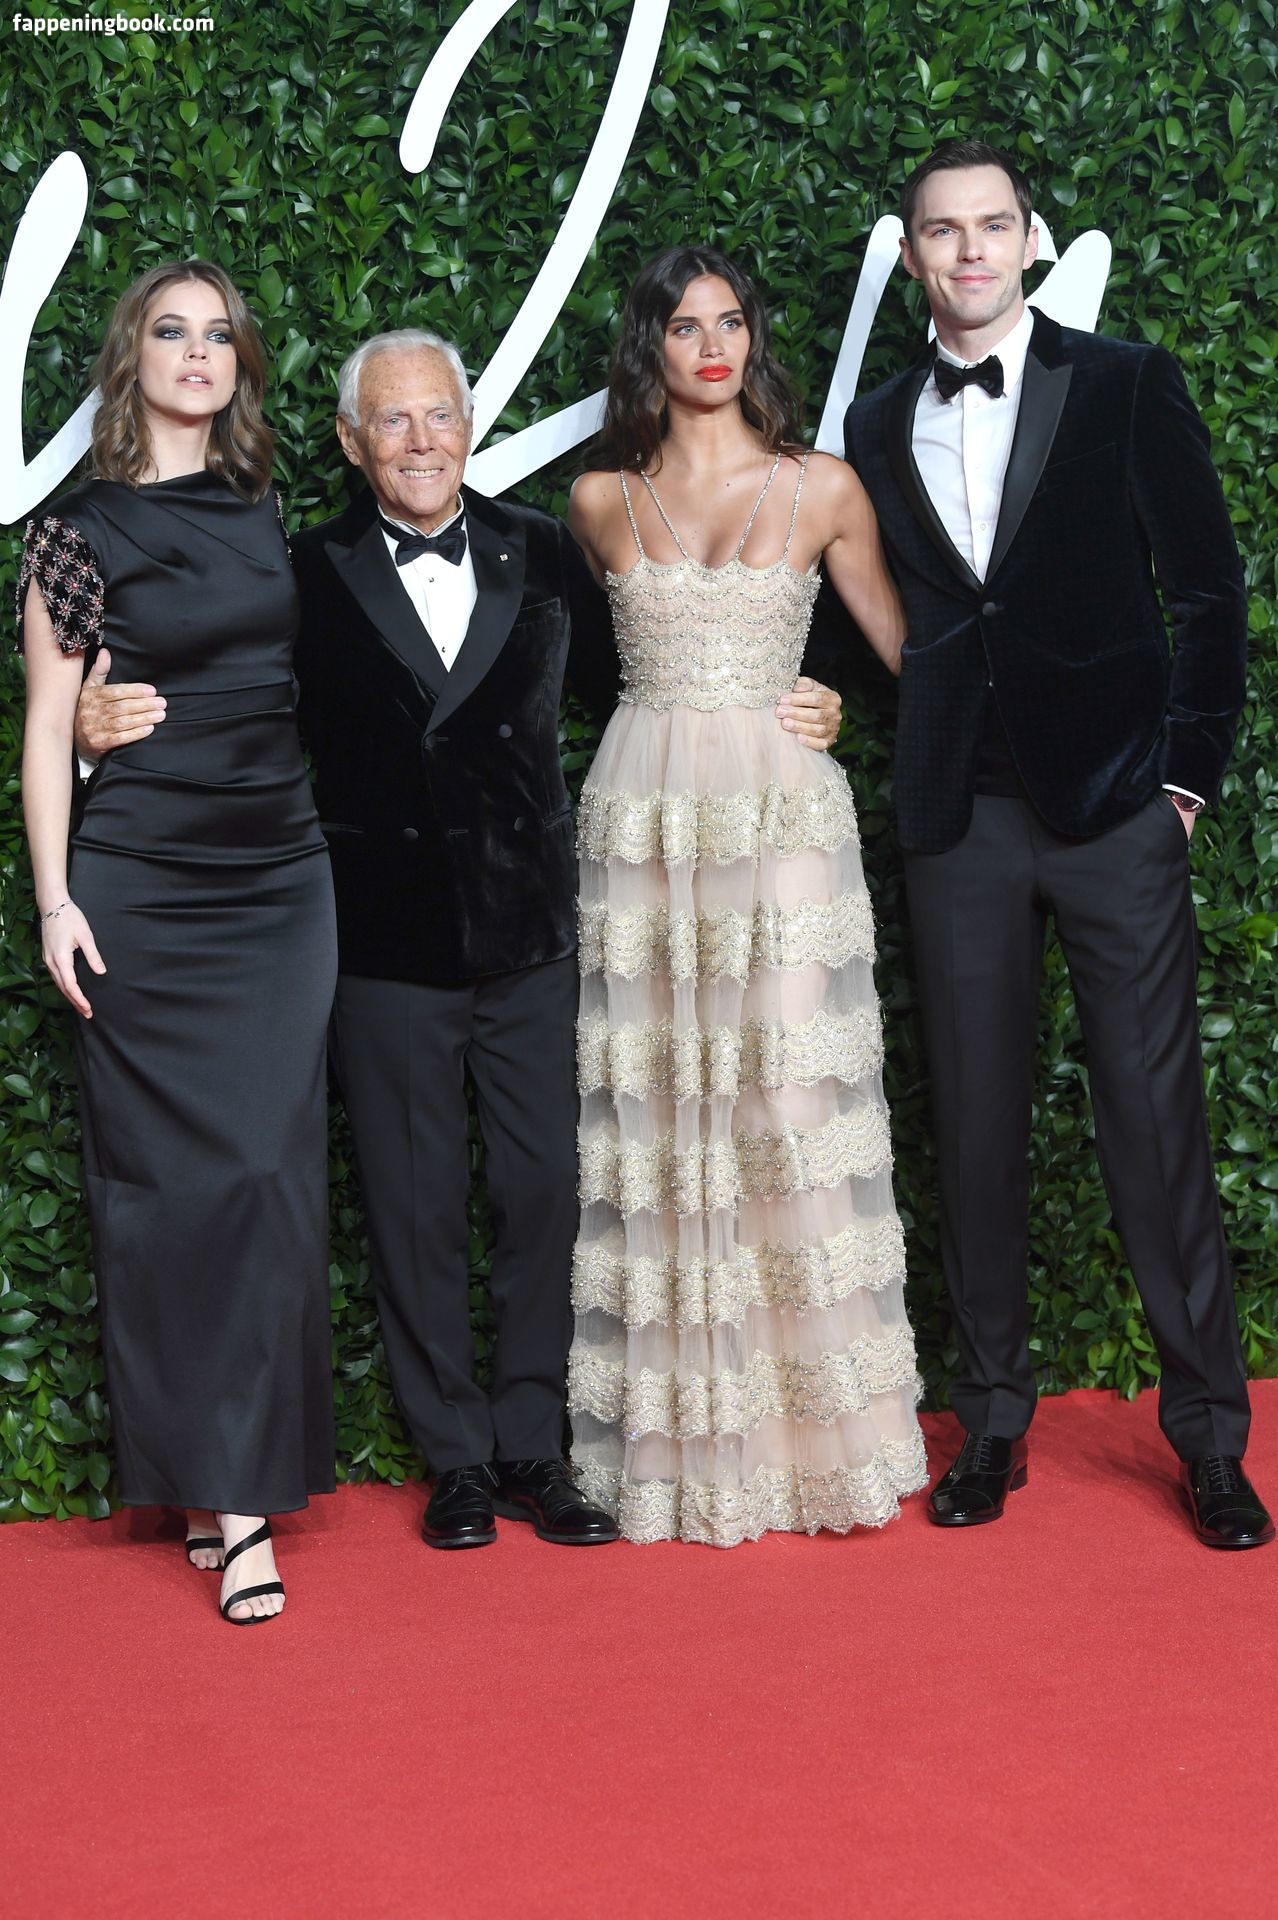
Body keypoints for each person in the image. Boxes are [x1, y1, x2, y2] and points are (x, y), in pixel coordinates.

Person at [76, 324, 845, 1551]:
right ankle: (456, 1460)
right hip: (382, 943)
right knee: (414, 1206)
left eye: (440, 413)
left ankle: (535, 1447)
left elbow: (657, 675)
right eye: (393, 419)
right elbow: (228, 706)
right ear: (351, 440)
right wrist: (94, 725)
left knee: (544, 1197)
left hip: (532, 932)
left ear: (470, 425)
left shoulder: (541, 547)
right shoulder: (303, 570)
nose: (422, 439)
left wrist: (806, 692)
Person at [843, 139, 1271, 1548]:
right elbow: (892, 613)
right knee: (972, 1131)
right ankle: (992, 1423)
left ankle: (1209, 1437)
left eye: (992, 225)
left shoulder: (1127, 382)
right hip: (957, 819)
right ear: (911, 254)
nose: (969, 251)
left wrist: (1183, 785)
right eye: (941, 230)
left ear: (1029, 241)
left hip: (1114, 813)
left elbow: (1208, 593)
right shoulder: (877, 421)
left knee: (1155, 1126)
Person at [565, 246, 928, 1546]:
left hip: (781, 815)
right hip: (644, 821)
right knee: (665, 1112)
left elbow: (914, 657)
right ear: (648, 347)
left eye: (730, 322)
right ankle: (684, 1442)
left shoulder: (823, 486)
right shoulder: (596, 501)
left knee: (785, 1097)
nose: (712, 345)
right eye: (684, 325)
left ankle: (810, 1440)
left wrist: (840, 704)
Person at [19, 260, 338, 1624]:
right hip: (143, 883)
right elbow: (48, 728)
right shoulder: (75, 532)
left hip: (282, 881)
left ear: (239, 366)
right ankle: (227, 1500)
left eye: (218, 335)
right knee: (167, 1193)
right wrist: (56, 901)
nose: (197, 353)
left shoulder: (265, 512)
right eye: (171, 330)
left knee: (267, 1178)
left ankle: (235, 1482)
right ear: (131, 357)